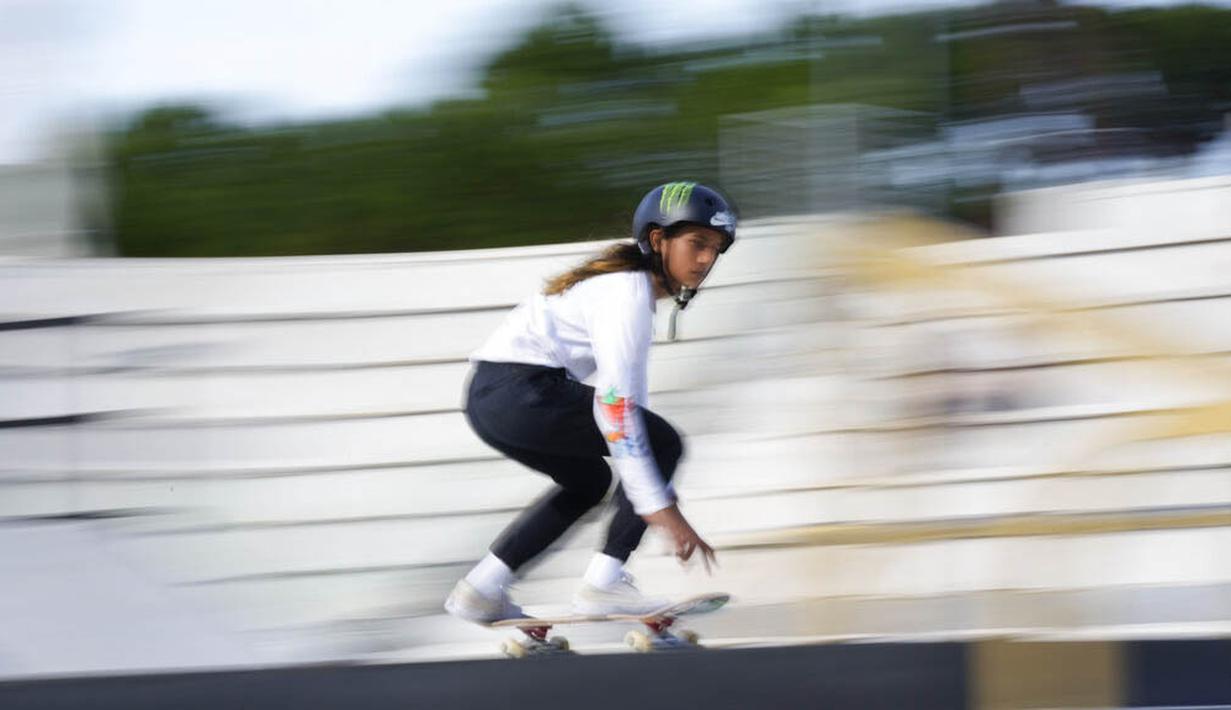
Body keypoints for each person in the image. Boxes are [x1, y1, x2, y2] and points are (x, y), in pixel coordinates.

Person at [444, 181, 736, 624]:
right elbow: (616, 406)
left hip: (489, 399)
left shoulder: (618, 286)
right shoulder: (627, 292)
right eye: (697, 243)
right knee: (663, 444)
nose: (705, 260)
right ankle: (605, 583)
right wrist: (658, 507)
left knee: (587, 482)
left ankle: (482, 588)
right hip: (523, 391)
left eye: (715, 249)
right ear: (658, 240)